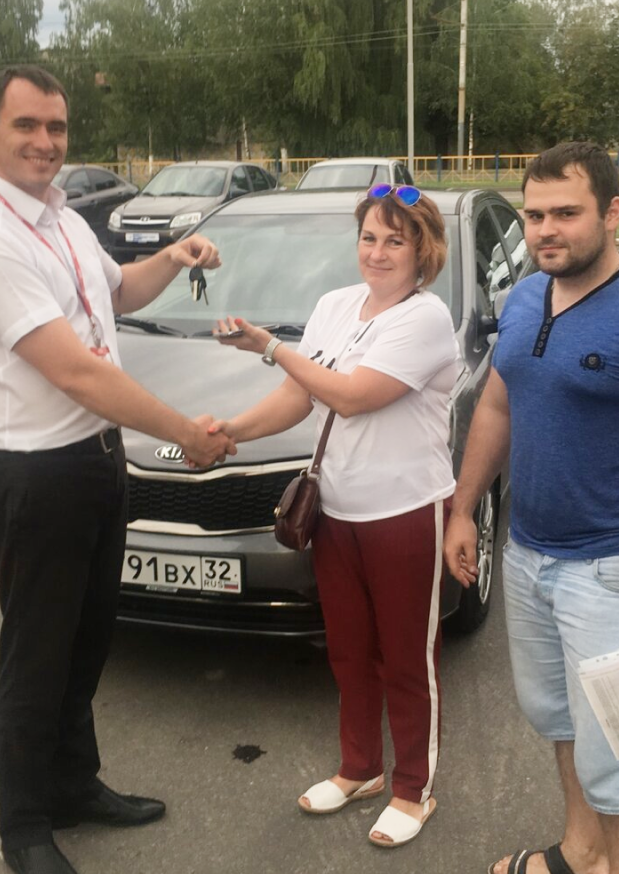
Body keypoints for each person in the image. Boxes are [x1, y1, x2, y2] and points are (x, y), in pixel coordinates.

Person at [0, 65, 235, 874]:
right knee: (36, 654)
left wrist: (173, 254)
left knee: (86, 642)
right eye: (27, 125)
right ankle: (24, 829)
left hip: (96, 459)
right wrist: (184, 434)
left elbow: (120, 292)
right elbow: (75, 371)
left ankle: (74, 785)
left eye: (57, 127)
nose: (45, 142)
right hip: (32, 472)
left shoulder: (64, 220)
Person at [443, 142, 619, 874]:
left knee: (618, 752)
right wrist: (463, 508)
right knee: (559, 718)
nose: (546, 230)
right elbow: (499, 406)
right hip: (528, 555)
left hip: (618, 571)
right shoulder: (524, 300)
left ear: (612, 213)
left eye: (566, 213)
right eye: (535, 214)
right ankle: (580, 852)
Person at [206, 184, 463, 848]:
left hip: (405, 511)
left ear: (423, 251)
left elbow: (350, 397)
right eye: (368, 238)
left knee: (407, 658)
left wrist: (269, 345)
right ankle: (360, 768)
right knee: (349, 652)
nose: (377, 253)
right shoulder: (334, 306)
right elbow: (299, 396)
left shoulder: (426, 318)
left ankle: (413, 787)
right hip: (336, 510)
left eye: (394, 241)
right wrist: (232, 433)